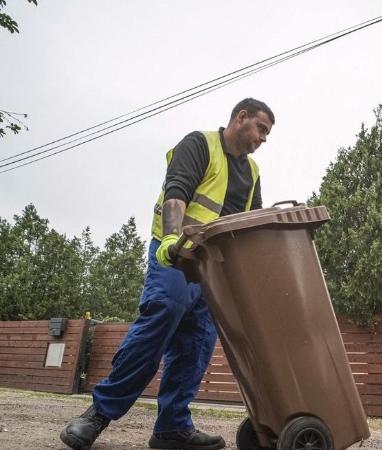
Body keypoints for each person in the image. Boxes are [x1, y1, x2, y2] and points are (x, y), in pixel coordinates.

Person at [60, 98, 274, 450]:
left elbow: (249, 224)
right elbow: (177, 192)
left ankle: (171, 428)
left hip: (213, 271)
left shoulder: (251, 172)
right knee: (163, 315)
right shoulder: (200, 143)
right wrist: (172, 239)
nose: (263, 139)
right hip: (176, 254)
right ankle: (97, 414)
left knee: (198, 342)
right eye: (261, 129)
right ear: (241, 118)